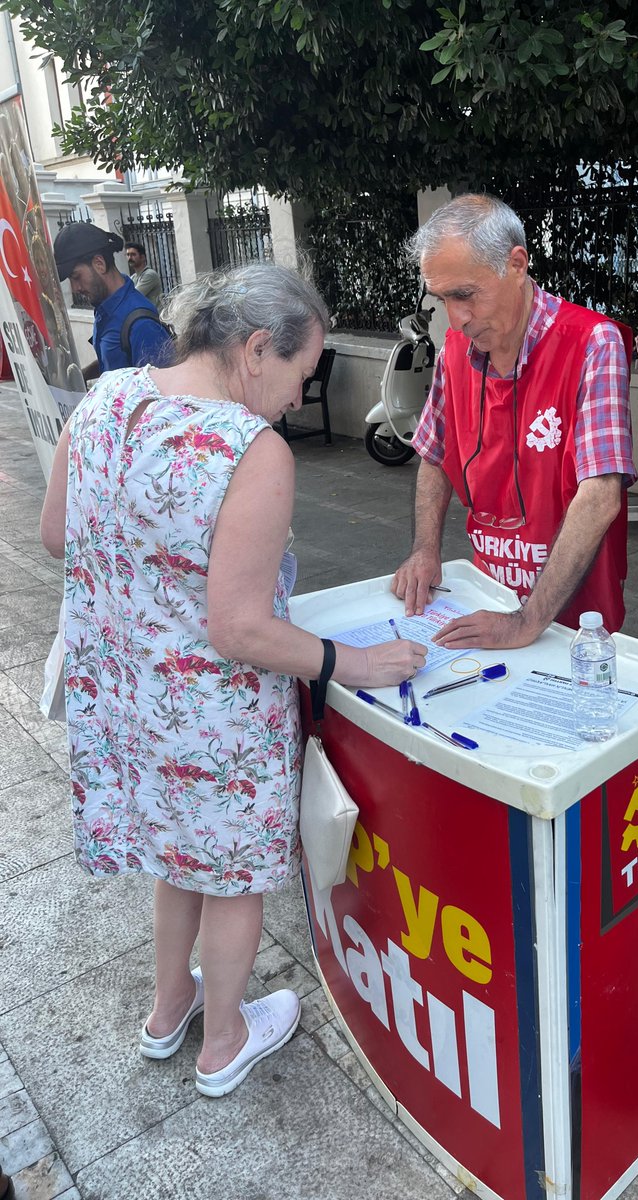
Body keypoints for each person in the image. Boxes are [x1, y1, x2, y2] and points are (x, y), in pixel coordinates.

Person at [39, 263, 426, 1097]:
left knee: (175, 858)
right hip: (213, 712)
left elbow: (53, 534)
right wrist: (353, 664)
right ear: (256, 350)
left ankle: (167, 1006)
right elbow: (241, 629)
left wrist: (142, 579)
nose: (298, 394)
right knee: (234, 873)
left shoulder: (106, 398)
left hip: (128, 700)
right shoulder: (248, 448)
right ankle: (224, 1041)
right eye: (298, 371)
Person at [391, 193, 635, 650]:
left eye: (465, 294)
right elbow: (433, 455)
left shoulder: (592, 344)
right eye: (443, 298)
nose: (456, 318)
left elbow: (601, 496)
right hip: (489, 598)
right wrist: (425, 549)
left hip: (575, 621)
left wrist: (525, 623)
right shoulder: (454, 352)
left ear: (517, 265)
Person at [53, 221, 174, 379]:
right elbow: (114, 362)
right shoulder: (105, 309)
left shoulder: (141, 324)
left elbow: (161, 393)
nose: (75, 288)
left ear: (99, 264)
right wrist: (80, 378)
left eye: (76, 276)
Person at [125, 240, 164, 309]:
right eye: (128, 255)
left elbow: (134, 296)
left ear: (142, 257)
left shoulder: (149, 274)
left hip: (155, 317)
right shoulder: (133, 277)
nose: (130, 258)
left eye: (133, 254)